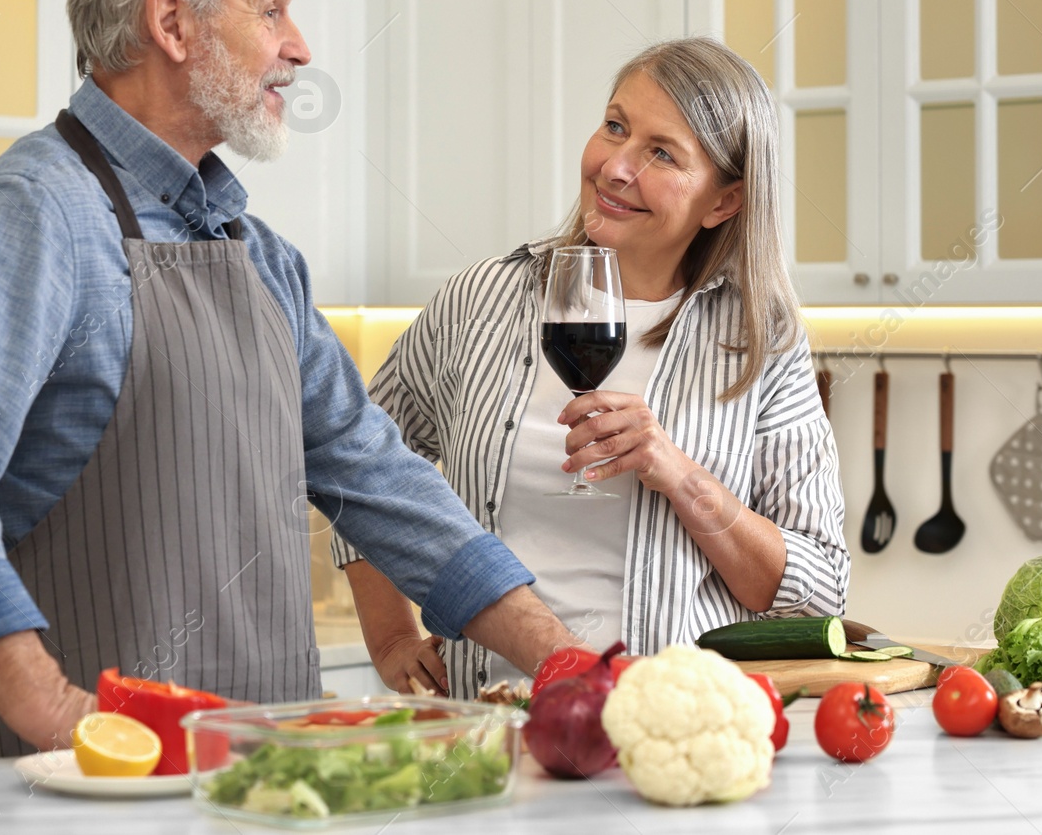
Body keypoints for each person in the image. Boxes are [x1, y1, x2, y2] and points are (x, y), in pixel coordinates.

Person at [0, 0, 579, 765]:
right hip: (67, 792)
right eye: (272, 9)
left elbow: (375, 475)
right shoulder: (36, 214)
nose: (299, 48)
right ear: (172, 21)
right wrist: (53, 708)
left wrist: (566, 658)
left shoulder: (257, 252)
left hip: (254, 783)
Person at [334, 38, 849, 698]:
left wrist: (678, 473)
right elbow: (358, 464)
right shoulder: (481, 299)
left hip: (665, 725)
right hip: (487, 730)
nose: (615, 166)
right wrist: (391, 637)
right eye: (615, 126)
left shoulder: (760, 341)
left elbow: (818, 592)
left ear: (723, 202)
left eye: (662, 153)